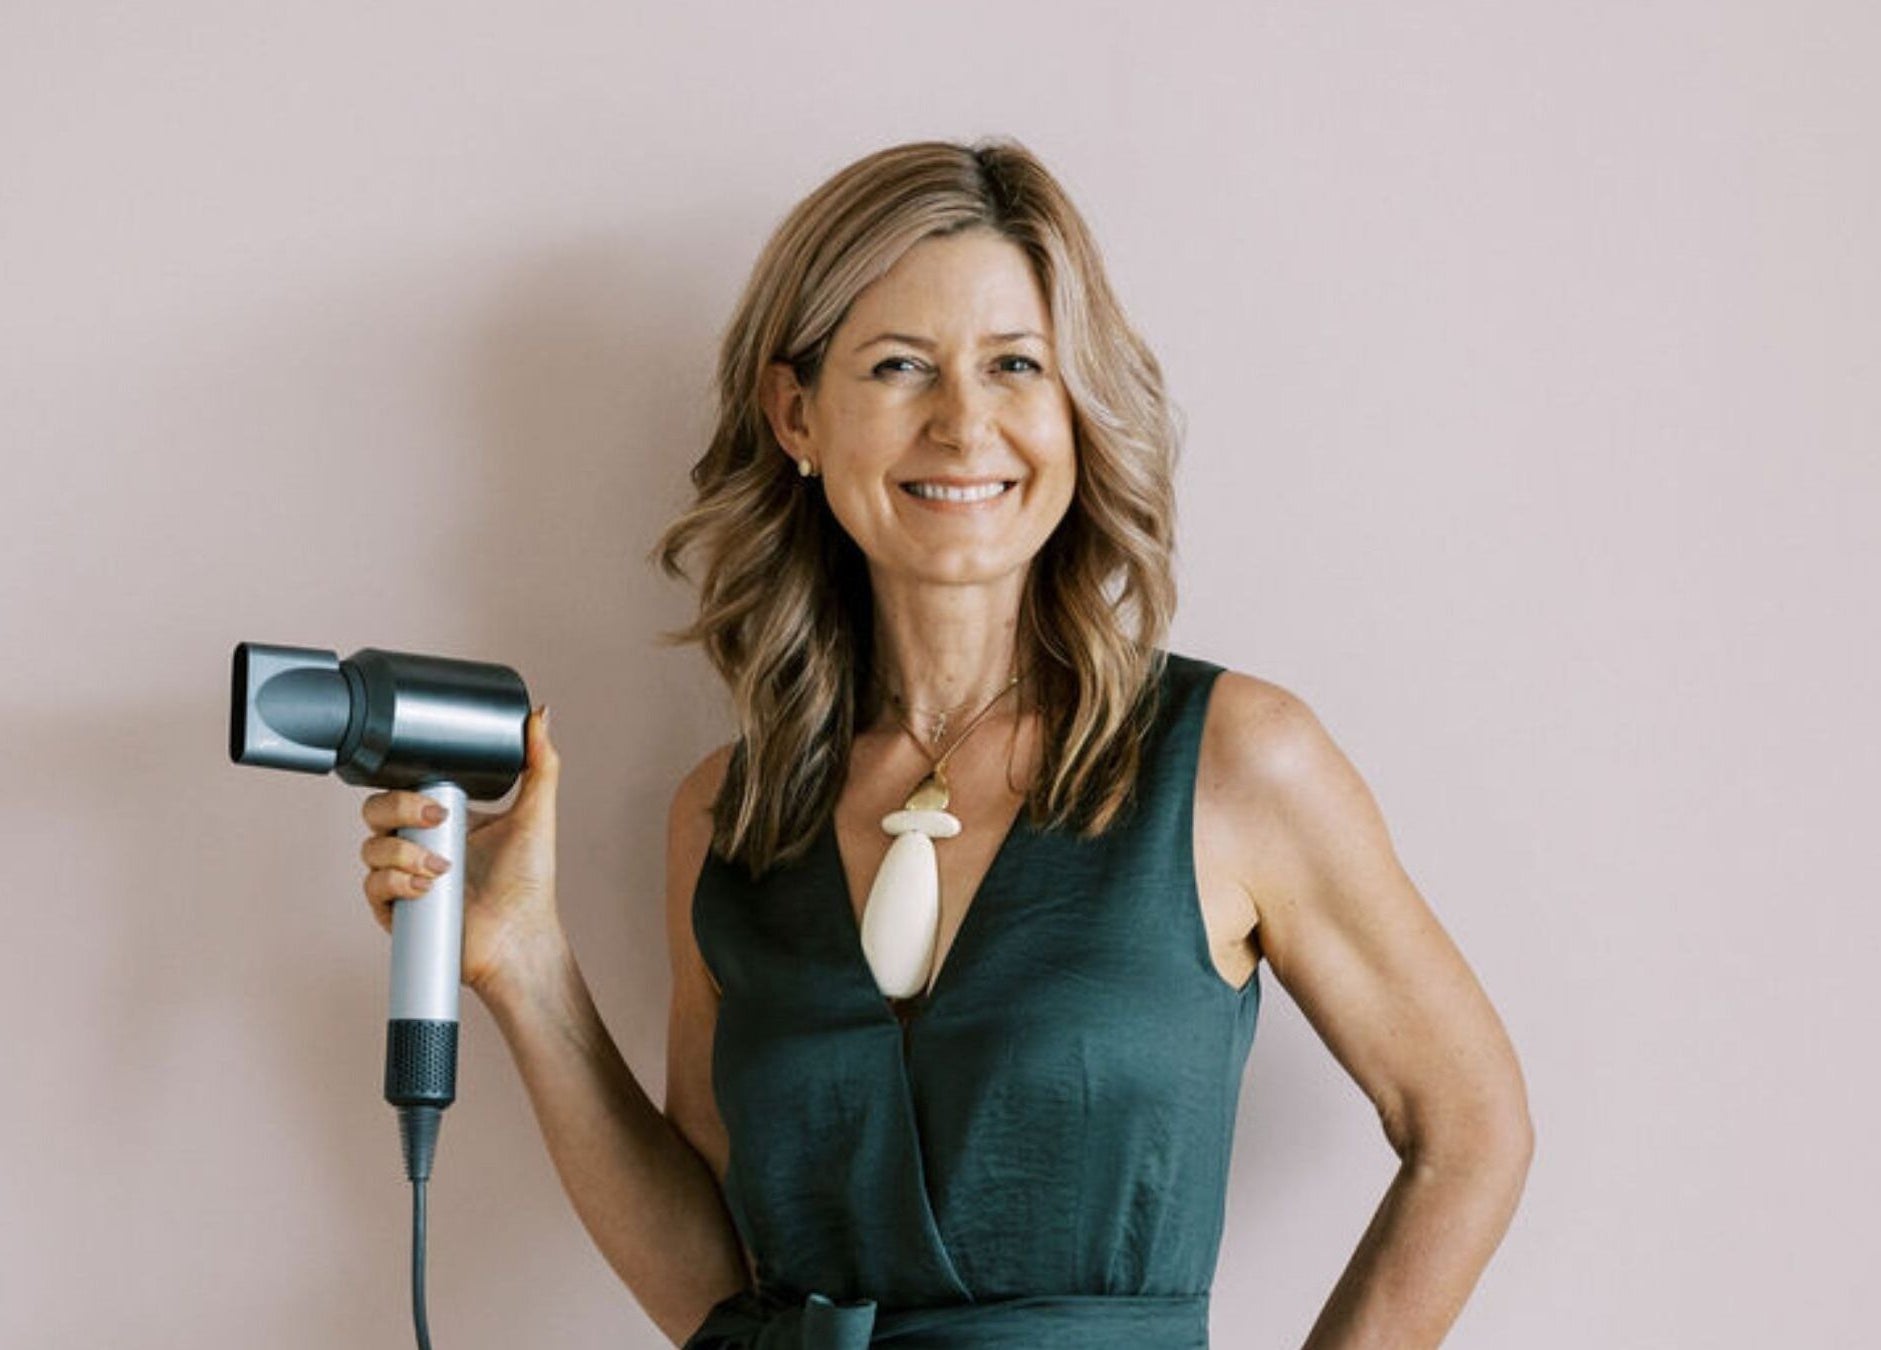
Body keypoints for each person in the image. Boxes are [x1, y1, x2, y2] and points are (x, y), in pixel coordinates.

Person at [357, 139, 1532, 1348]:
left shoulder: (1235, 760)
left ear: (1076, 408)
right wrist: (524, 966)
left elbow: (1472, 1127)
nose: (965, 424)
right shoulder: (729, 819)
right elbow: (718, 1285)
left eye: (1016, 365)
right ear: (797, 414)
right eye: (901, 366)